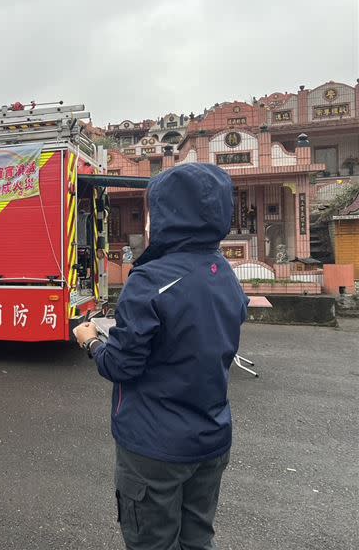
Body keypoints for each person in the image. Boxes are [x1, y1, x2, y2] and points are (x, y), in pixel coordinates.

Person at [74, 163, 248, 550]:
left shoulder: (151, 279)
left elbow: (121, 364)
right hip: (212, 438)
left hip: (154, 448)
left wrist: (91, 341)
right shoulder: (223, 272)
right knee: (198, 539)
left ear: (168, 213)